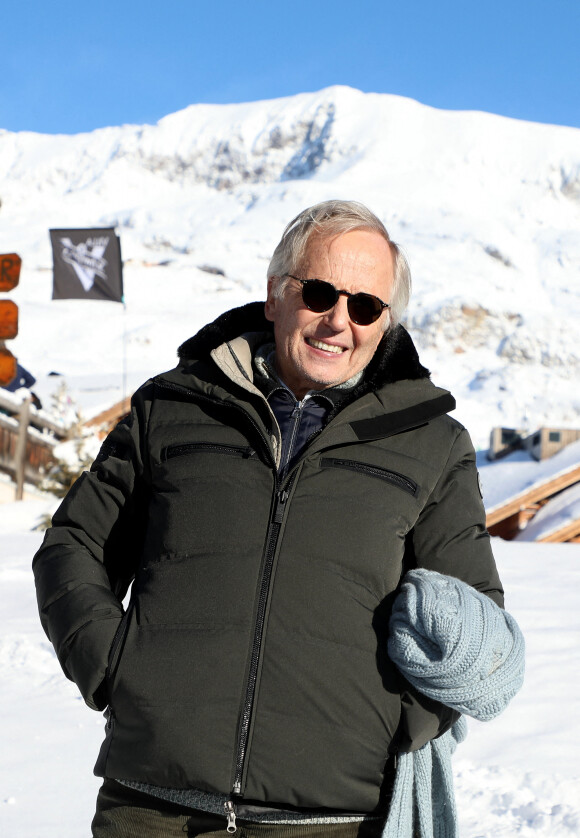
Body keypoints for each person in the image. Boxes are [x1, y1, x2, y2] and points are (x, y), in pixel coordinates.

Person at [33, 200, 504, 837]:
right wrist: (115, 669)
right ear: (275, 295)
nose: (339, 321)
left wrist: (389, 723)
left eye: (365, 306)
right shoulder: (171, 409)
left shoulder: (431, 442)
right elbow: (75, 544)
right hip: (153, 806)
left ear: (385, 322)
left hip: (332, 819)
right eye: (319, 293)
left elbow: (470, 620)